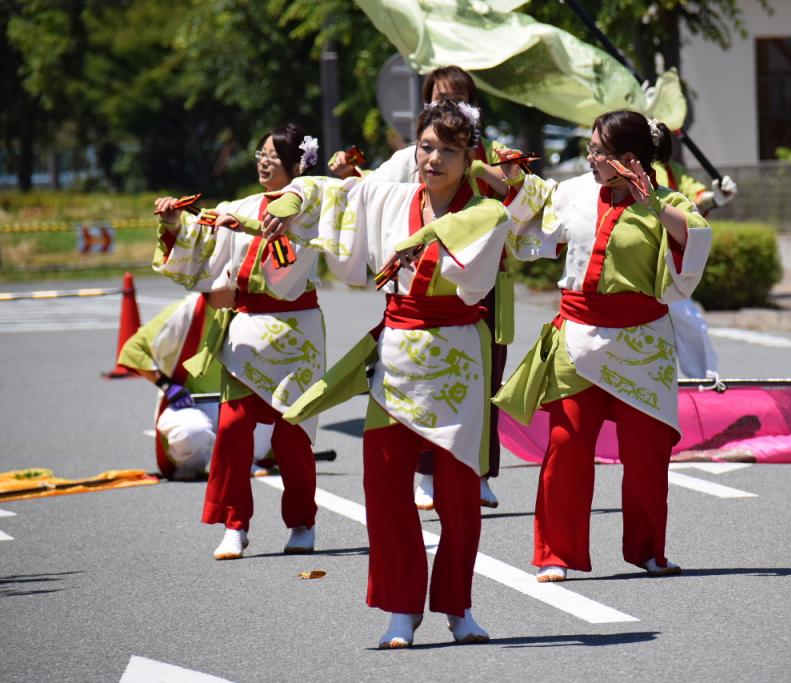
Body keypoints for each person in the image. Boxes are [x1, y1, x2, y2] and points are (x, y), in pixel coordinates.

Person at [276, 100, 530, 648]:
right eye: (426, 145)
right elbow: (333, 193)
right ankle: (399, 607)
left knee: (459, 494)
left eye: (448, 150)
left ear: (469, 159)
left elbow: (473, 288)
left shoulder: (486, 213)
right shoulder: (389, 195)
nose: (433, 158)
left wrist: (433, 244)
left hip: (458, 353)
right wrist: (297, 193)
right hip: (395, 355)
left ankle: (458, 607)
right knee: (385, 486)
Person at [493, 110, 712, 582]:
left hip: (642, 342)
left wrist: (652, 203)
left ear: (628, 160)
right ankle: (555, 553)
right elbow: (532, 216)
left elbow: (695, 240)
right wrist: (512, 180)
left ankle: (649, 550)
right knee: (565, 446)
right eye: (590, 149)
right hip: (579, 336)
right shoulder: (574, 191)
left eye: (598, 151)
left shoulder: (668, 201)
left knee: (647, 452)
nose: (590, 158)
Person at [334, 64, 507, 511]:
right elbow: (371, 193)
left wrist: (502, 182)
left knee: (484, 376)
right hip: (417, 284)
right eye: (434, 97)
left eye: (455, 97)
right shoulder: (412, 154)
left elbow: (524, 207)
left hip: (477, 275)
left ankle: (478, 468)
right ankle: (424, 472)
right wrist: (346, 181)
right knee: (413, 378)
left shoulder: (494, 157)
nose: (434, 157)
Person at [152, 123, 326, 560]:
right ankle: (235, 523)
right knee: (231, 429)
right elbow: (202, 245)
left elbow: (285, 270)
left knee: (292, 436)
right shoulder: (239, 205)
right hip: (246, 330)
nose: (264, 161)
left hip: (295, 333)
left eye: (274, 155)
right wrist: (177, 224)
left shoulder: (310, 207)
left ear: (296, 164)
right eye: (260, 153)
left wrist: (244, 228)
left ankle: (301, 520)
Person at [117, 292, 272, 481]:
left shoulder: (254, 311)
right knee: (192, 433)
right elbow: (133, 349)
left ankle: (244, 460)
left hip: (239, 404)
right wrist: (168, 386)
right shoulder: (184, 312)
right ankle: (191, 465)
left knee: (282, 414)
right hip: (189, 405)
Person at [652, 121, 736, 380]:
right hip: (624, 269)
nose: (652, 133)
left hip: (661, 266)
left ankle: (702, 381)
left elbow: (696, 199)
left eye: (656, 130)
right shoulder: (611, 171)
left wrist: (715, 197)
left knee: (690, 325)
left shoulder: (671, 171)